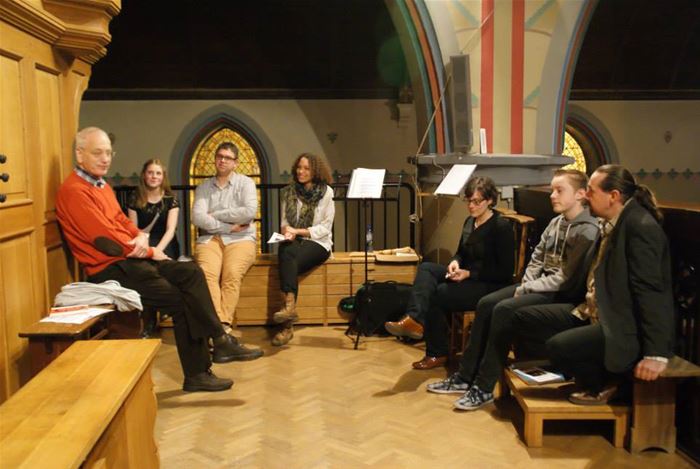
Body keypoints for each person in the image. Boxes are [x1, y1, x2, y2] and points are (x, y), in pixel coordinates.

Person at [56, 127, 263, 393]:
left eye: (109, 153)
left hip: (131, 258)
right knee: (182, 301)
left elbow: (120, 221)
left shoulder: (102, 185)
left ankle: (220, 341)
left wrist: (139, 236)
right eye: (98, 153)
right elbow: (105, 241)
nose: (105, 159)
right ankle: (198, 372)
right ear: (79, 154)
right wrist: (150, 250)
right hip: (110, 267)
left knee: (192, 272)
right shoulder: (74, 190)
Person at [426, 169, 599, 410]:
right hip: (537, 286)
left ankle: (484, 387)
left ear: (580, 194)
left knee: (503, 309)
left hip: (560, 294)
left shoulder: (588, 230)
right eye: (552, 190)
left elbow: (566, 278)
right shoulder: (557, 222)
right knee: (486, 303)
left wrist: (528, 288)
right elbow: (537, 257)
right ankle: (464, 377)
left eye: (559, 191)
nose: (552, 195)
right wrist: (527, 284)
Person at [546, 164, 674, 405]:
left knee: (559, 347)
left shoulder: (640, 226)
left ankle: (613, 383)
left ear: (613, 196)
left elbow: (652, 291)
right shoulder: (616, 221)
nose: (586, 196)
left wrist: (656, 353)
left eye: (591, 191)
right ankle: (595, 378)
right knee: (531, 319)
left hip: (624, 326)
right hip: (598, 310)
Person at [385, 176, 515, 369]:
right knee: (426, 268)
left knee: (439, 293)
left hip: (488, 284)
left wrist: (469, 274)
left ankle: (437, 352)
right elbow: (461, 252)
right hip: (467, 276)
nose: (471, 206)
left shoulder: (500, 227)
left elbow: (505, 272)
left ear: (489, 200)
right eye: (468, 200)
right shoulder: (469, 222)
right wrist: (455, 262)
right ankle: (414, 319)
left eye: (476, 201)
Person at [192, 142, 257, 336]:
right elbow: (197, 217)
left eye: (227, 158)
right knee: (207, 275)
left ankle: (221, 324)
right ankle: (220, 327)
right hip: (210, 239)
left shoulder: (246, 183)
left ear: (235, 162)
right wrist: (227, 226)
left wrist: (216, 214)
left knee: (231, 274)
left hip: (241, 238)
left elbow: (249, 212)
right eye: (219, 156)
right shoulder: (204, 187)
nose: (222, 160)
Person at [270, 153, 335, 346]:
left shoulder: (326, 192)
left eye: (306, 168)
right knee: (286, 250)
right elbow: (284, 222)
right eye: (299, 167)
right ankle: (289, 311)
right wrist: (287, 232)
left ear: (315, 170)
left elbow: (325, 228)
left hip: (318, 242)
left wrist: (297, 231)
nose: (301, 171)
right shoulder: (289, 192)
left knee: (287, 261)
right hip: (295, 240)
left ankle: (287, 326)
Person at [127, 159, 181, 260]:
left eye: (158, 173)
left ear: (163, 177)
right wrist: (148, 250)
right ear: (144, 175)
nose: (154, 176)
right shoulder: (134, 198)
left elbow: (170, 230)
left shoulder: (171, 199)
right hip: (143, 242)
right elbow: (133, 229)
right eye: (150, 172)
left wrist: (157, 251)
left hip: (165, 243)